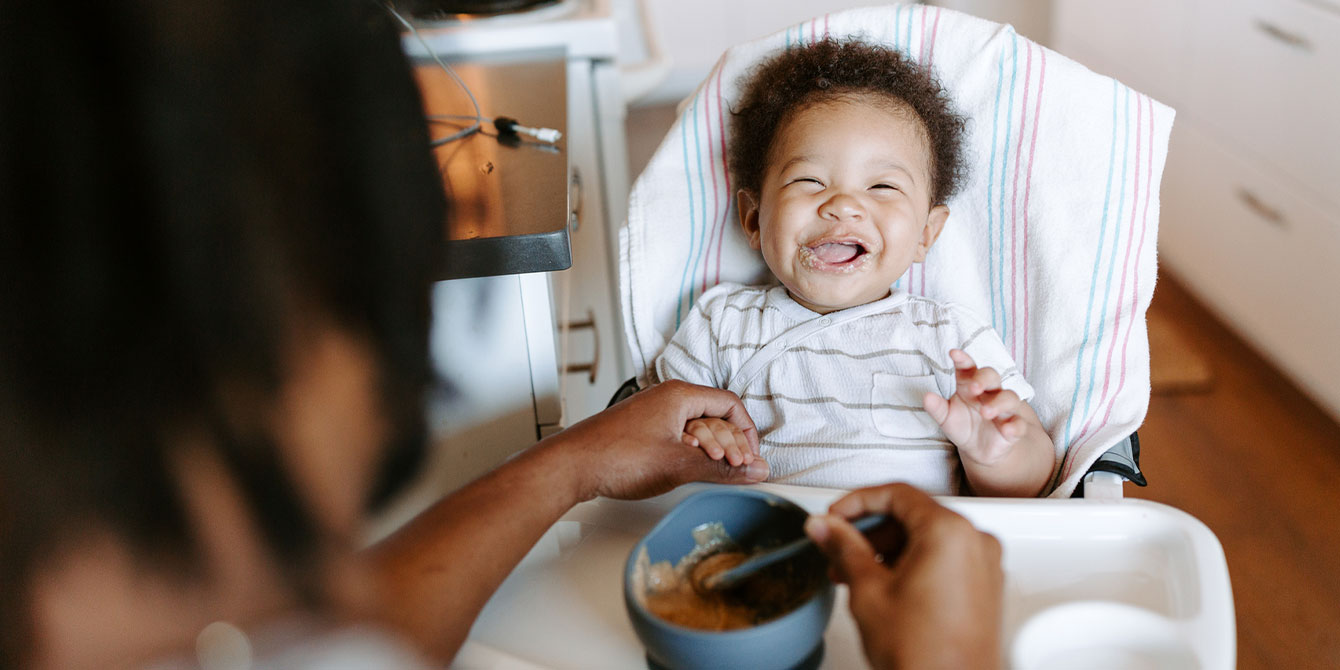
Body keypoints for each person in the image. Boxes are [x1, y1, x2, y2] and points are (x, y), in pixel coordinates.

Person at [0, 3, 1003, 668]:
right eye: (302, 557)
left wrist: (565, 464)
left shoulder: (938, 329)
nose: (350, 598)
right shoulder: (724, 322)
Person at [656, 39, 1055, 497]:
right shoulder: (723, 324)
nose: (844, 204)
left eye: (882, 186)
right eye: (810, 180)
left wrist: (996, 452)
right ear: (754, 218)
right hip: (767, 545)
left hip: (911, 549)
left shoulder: (950, 339)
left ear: (926, 234)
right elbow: (653, 430)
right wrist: (701, 433)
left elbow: (1034, 479)